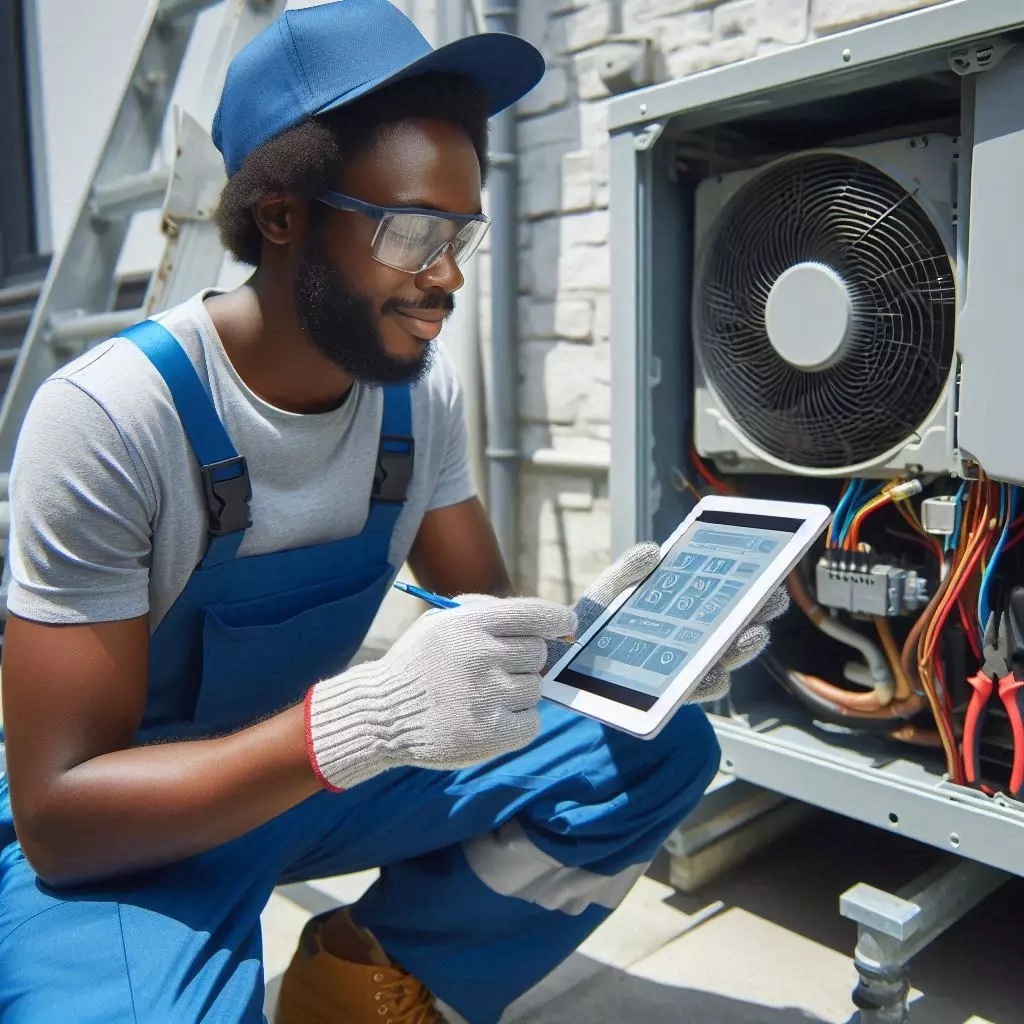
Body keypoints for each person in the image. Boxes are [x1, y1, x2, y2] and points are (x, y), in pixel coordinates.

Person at [0, 2, 787, 1022]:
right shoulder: (111, 418)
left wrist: (604, 646)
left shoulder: (419, 395)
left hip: (320, 777)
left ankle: (356, 980)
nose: (447, 275)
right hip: (139, 826)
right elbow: (61, 815)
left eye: (460, 233)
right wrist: (364, 720)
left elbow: (482, 613)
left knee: (655, 750)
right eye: (411, 230)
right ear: (280, 213)